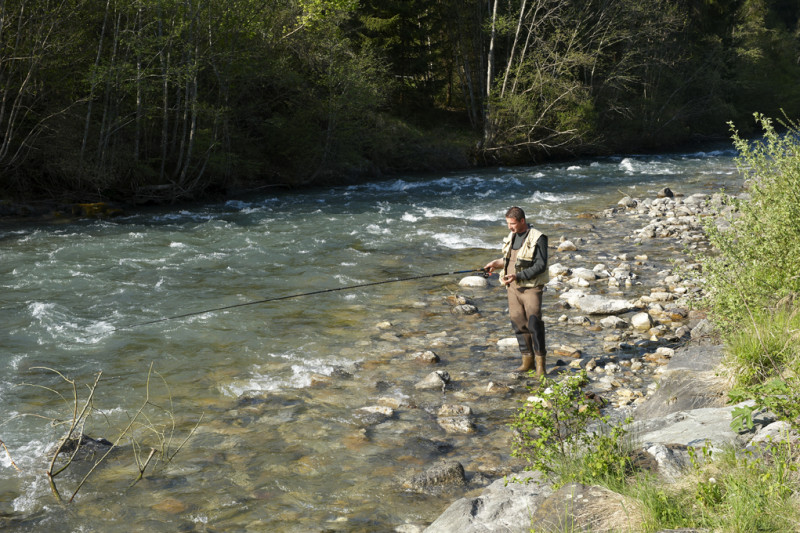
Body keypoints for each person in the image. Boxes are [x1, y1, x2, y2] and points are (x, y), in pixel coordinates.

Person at [483, 206, 549, 375]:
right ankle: (527, 361)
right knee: (518, 322)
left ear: (522, 221)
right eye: (508, 224)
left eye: (512, 224)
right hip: (512, 288)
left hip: (531, 288)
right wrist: (495, 264)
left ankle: (541, 366)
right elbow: (509, 259)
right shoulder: (512, 236)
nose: (509, 227)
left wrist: (518, 276)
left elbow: (541, 266)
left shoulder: (538, 238)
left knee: (534, 323)